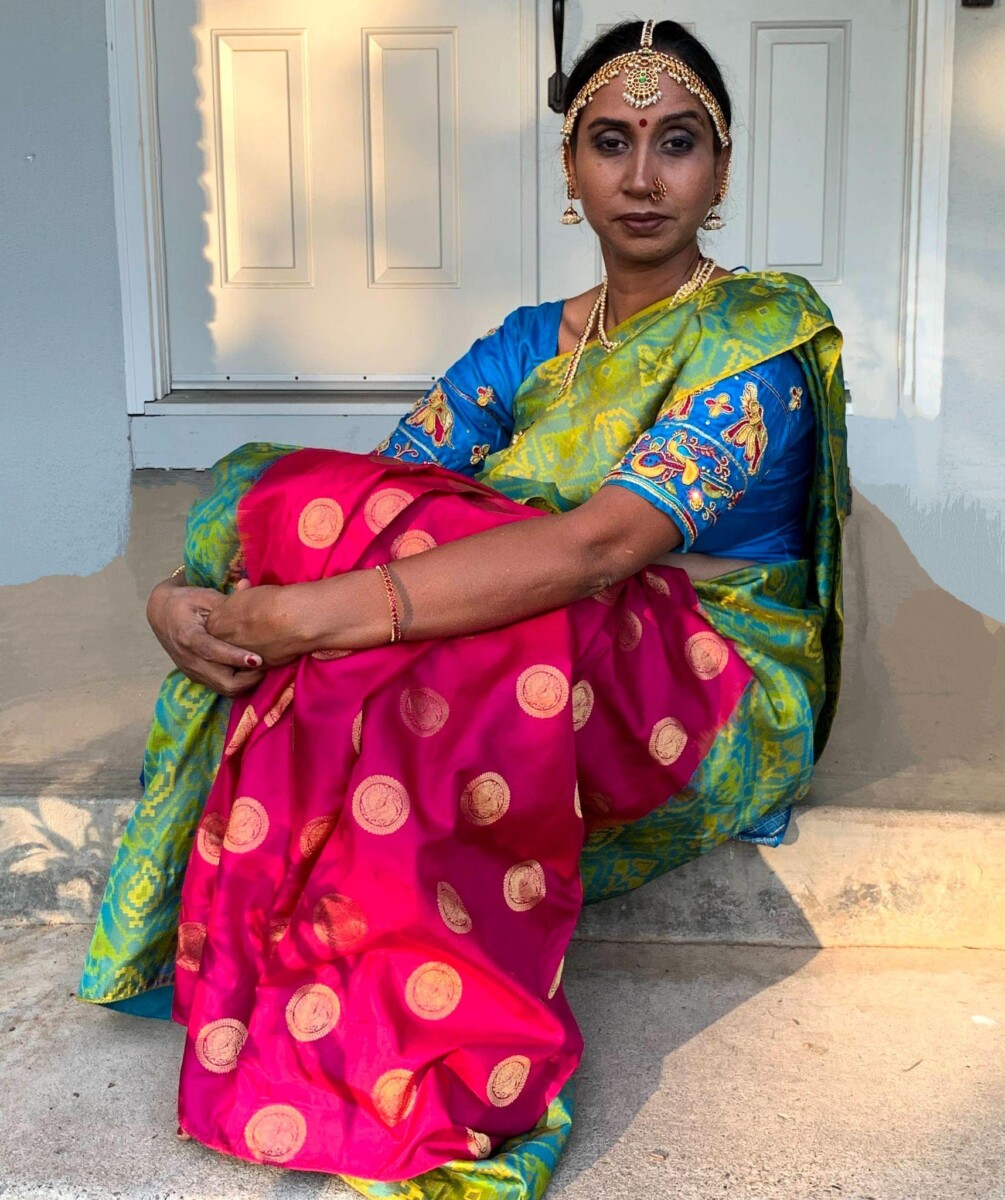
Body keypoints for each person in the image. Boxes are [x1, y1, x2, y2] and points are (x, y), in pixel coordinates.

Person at [79, 18, 848, 1198]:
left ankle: (444, 1065)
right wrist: (180, 597)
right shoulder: (529, 344)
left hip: (713, 671)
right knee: (345, 528)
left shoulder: (759, 340)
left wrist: (296, 622)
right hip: (564, 632)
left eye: (677, 143)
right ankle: (327, 1004)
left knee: (456, 623)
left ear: (723, 170)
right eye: (610, 143)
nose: (643, 179)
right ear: (569, 169)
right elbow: (380, 511)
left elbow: (600, 548)